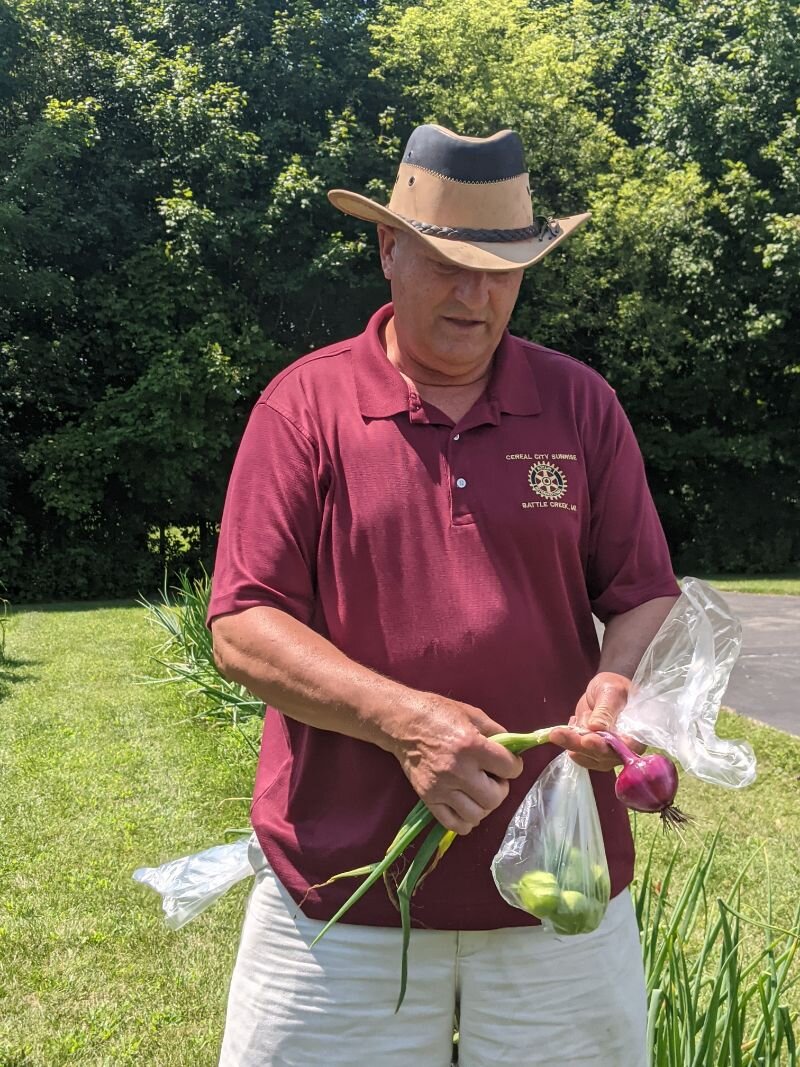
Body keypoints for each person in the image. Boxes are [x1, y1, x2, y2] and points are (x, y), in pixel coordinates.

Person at [207, 124, 680, 1066]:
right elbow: (244, 625)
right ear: (389, 248)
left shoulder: (580, 403)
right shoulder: (305, 406)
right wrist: (402, 720)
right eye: (447, 264)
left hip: (559, 892)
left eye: (502, 269)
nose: (477, 294)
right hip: (341, 895)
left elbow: (644, 591)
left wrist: (615, 687)